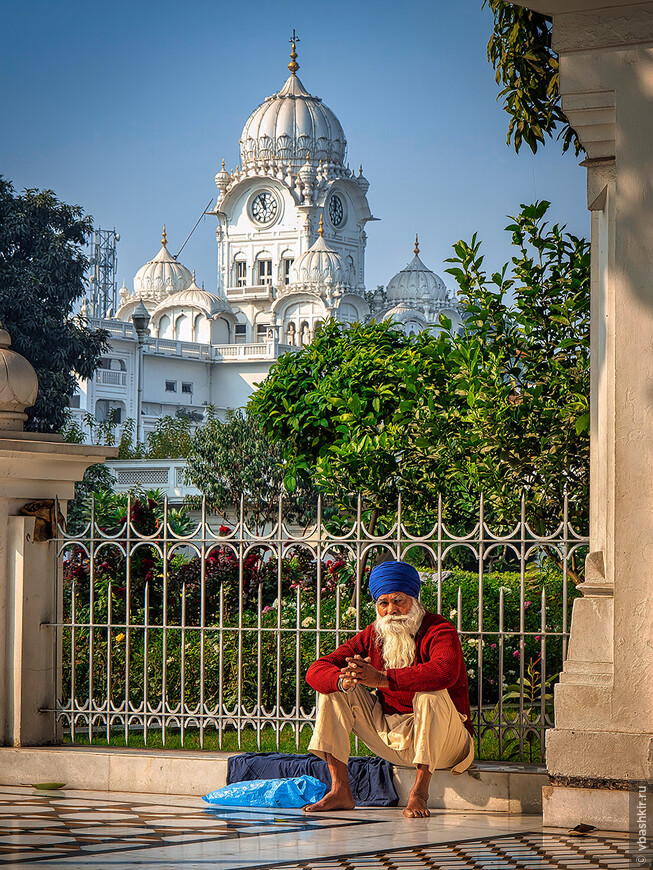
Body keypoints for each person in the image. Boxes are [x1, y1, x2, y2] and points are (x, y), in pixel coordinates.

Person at [304, 560, 473, 818]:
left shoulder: (440, 629)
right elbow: (317, 669)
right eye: (383, 603)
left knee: (431, 693)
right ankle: (340, 789)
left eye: (399, 601)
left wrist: (381, 679)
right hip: (392, 736)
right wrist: (344, 680)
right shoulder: (373, 634)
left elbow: (445, 672)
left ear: (414, 599)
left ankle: (419, 793)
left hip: (446, 744)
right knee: (333, 689)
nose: (392, 610)